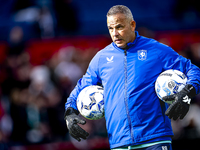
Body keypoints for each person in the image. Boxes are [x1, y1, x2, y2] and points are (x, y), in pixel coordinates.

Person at [64, 5, 200, 150]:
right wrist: (70, 112)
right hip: (119, 143)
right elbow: (81, 87)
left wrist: (187, 93)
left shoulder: (156, 50)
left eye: (119, 27)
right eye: (111, 28)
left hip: (154, 140)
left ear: (132, 24)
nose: (115, 33)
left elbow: (192, 70)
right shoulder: (101, 58)